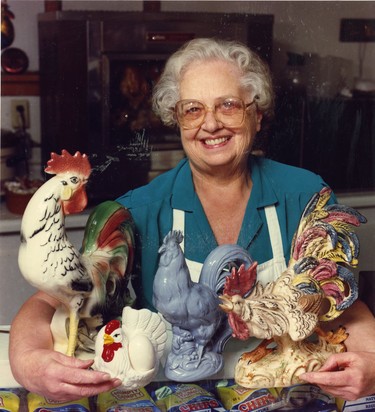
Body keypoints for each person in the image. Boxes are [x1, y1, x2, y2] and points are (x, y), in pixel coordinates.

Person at [9, 38, 375, 402]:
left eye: (229, 106)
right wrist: (29, 361)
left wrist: (372, 361)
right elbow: (49, 301)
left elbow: (343, 304)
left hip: (289, 389)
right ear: (176, 119)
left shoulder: (303, 194)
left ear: (257, 114)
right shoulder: (139, 210)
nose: (210, 124)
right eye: (193, 110)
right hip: (174, 396)